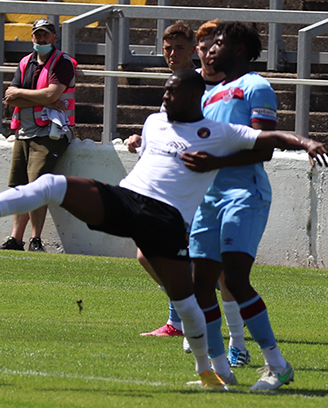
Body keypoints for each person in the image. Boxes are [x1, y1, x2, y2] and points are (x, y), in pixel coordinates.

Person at [0, 69, 328, 390]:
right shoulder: (155, 120)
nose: (164, 97)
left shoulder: (218, 132)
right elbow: (155, 154)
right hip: (127, 200)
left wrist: (308, 142)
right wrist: (140, 141)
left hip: (165, 221)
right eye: (164, 92)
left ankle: (211, 371)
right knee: (54, 186)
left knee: (190, 301)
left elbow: (269, 136)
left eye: (172, 92)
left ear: (193, 97)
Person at [188, 21, 292, 391]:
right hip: (208, 199)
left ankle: (277, 363)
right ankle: (220, 370)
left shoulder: (256, 87)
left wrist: (212, 163)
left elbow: (263, 148)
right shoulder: (209, 93)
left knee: (234, 278)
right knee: (201, 286)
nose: (209, 48)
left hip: (243, 193)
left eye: (219, 43)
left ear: (238, 50)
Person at [127, 21, 196, 338]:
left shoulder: (199, 86)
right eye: (167, 48)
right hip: (169, 187)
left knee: (160, 254)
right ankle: (185, 313)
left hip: (188, 187)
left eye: (179, 47)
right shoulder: (176, 82)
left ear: (193, 50)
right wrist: (144, 140)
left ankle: (183, 318)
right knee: (154, 254)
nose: (172, 53)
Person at [0, 18, 77, 252]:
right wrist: (41, 96)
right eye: (37, 35)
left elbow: (51, 95)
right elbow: (9, 98)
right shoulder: (25, 62)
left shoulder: (62, 62)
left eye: (45, 35)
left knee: (36, 184)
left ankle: (36, 239)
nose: (41, 39)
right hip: (24, 131)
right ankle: (16, 238)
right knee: (19, 187)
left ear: (54, 37)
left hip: (51, 131)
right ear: (32, 37)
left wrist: (24, 95)